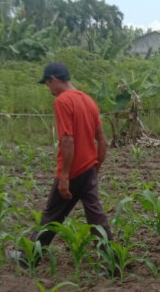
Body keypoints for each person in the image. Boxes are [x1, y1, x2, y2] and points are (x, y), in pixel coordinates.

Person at [12, 62, 115, 272]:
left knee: (52, 215)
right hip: (88, 170)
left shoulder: (63, 101)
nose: (49, 89)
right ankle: (112, 261)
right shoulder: (89, 101)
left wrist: (65, 176)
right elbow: (103, 141)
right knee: (96, 217)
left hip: (73, 170)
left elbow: (67, 139)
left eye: (48, 84)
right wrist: (97, 167)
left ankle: (28, 259)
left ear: (55, 80)